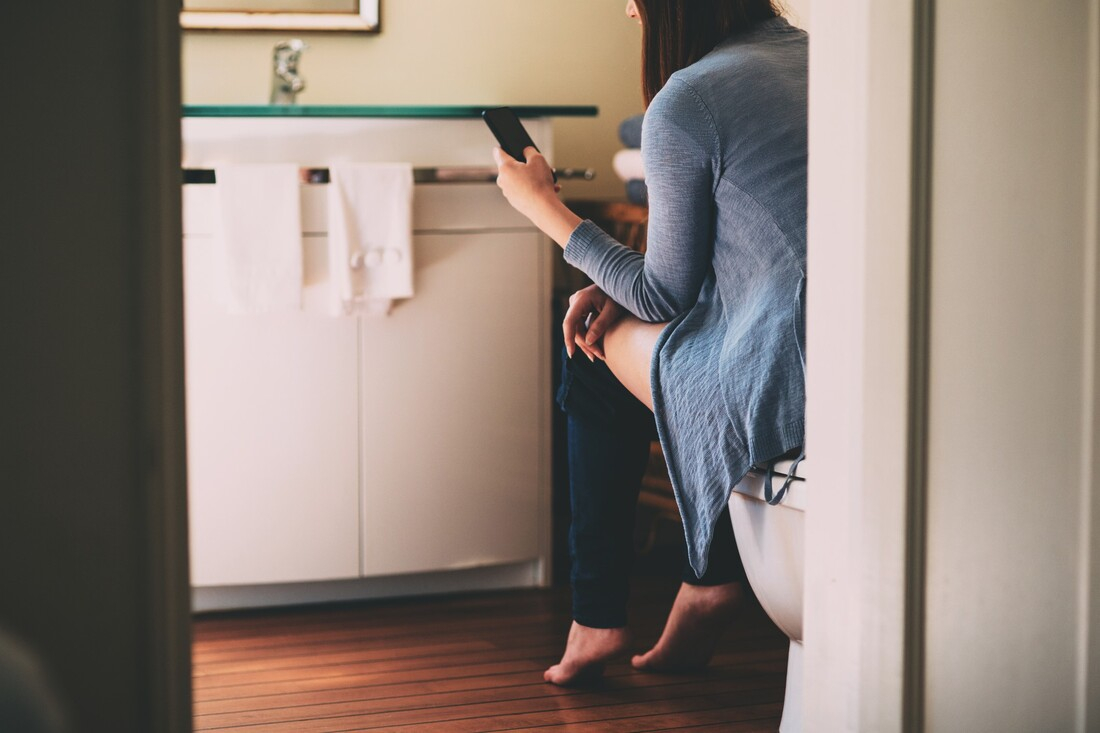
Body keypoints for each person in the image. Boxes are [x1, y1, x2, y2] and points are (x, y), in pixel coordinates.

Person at [493, 0, 807, 685]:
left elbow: (663, 296)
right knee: (618, 321)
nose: (628, 9)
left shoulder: (689, 98)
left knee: (591, 346)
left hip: (780, 375)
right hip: (847, 359)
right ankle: (707, 581)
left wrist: (543, 205)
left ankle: (599, 618)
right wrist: (619, 279)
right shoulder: (818, 61)